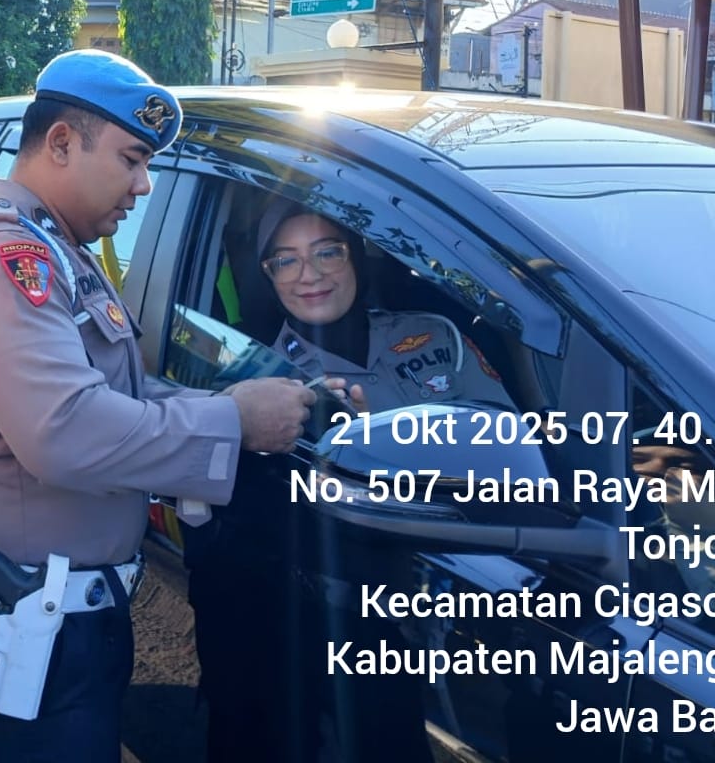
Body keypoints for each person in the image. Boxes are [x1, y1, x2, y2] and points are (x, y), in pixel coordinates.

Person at [0, 49, 322, 763]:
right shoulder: (7, 260)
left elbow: (120, 396)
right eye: (132, 160)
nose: (143, 186)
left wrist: (238, 402)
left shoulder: (62, 255)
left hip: (66, 626)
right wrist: (234, 422)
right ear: (63, 142)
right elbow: (65, 432)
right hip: (28, 637)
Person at [186, 203, 510, 763]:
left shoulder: (435, 336)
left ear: (356, 254)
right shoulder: (251, 372)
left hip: (461, 589)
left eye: (327, 251)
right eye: (284, 261)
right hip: (327, 612)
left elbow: (511, 445)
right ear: (265, 275)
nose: (309, 275)